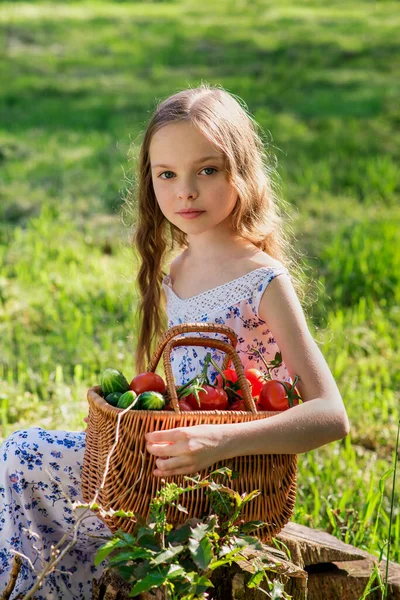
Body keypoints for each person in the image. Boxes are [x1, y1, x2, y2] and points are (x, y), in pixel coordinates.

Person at [0, 83, 350, 599]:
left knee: (23, 455)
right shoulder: (178, 269)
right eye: (167, 174)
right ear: (151, 180)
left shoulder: (262, 280)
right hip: (169, 472)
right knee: (22, 457)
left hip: (226, 487)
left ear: (242, 173)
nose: (185, 190)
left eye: (206, 170)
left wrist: (218, 442)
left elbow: (331, 415)